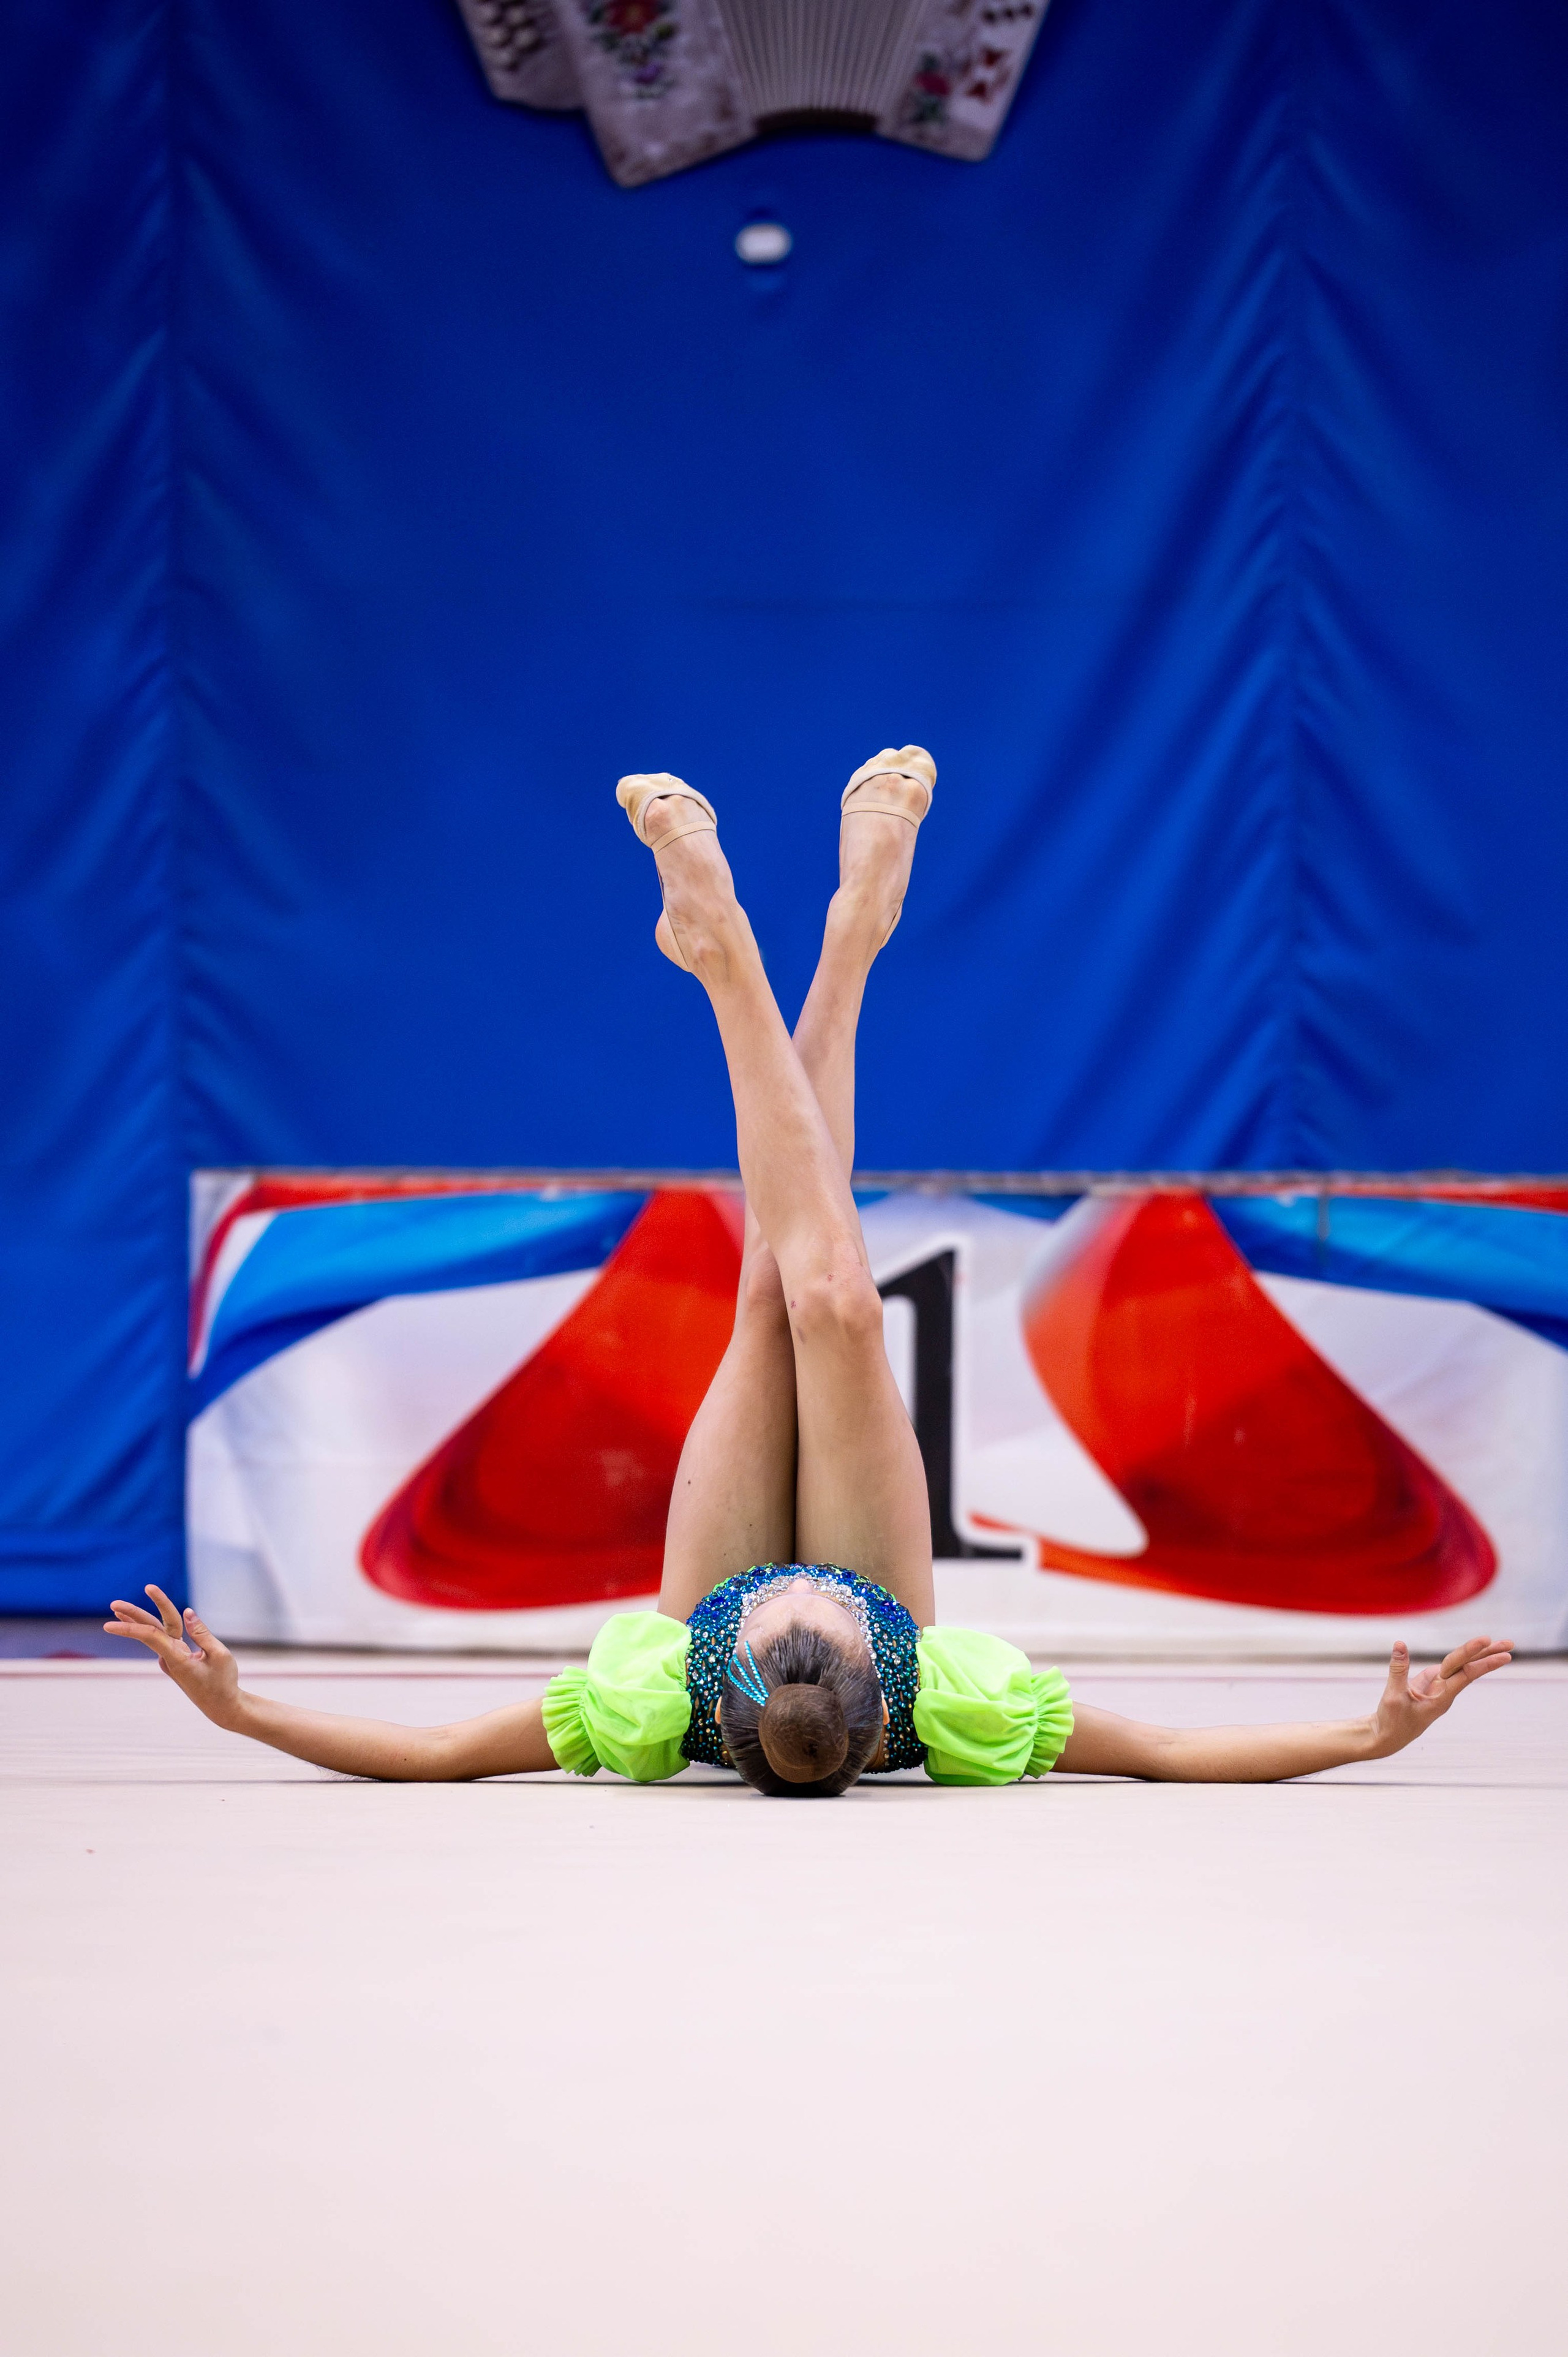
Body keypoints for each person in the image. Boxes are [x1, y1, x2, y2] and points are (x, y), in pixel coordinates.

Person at [106, 748, 1514, 1791]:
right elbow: (1167, 1753)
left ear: (729, 1661)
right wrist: (1364, 1733)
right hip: (864, 1596)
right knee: (832, 1298)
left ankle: (727, 952)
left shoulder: (657, 1696)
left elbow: (429, 1754)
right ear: (875, 1664)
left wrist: (244, 1708)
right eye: (828, 1607)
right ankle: (842, 944)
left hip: (704, 1600)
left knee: (773, 1289)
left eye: (783, 1604)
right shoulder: (941, 1703)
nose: (800, 1578)